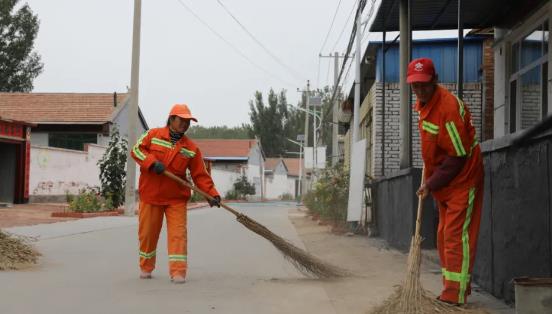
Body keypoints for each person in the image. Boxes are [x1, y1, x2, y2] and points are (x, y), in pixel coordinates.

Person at [408, 58, 484, 305]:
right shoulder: (423, 104)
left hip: (463, 177)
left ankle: (455, 296)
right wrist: (431, 176)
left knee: (455, 235)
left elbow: (458, 156)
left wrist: (431, 183)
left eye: (424, 85)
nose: (419, 91)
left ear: (435, 80)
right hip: (443, 179)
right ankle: (451, 287)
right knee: (442, 234)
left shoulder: (447, 110)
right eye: (415, 86)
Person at [130, 103, 221, 284]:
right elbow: (136, 150)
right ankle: (146, 266)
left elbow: (200, 174)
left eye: (188, 122)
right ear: (172, 119)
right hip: (151, 195)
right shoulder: (153, 135)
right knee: (148, 234)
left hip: (176, 198)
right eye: (182, 120)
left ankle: (178, 271)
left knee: (178, 235)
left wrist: (212, 194)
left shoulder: (191, 148)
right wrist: (151, 162)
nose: (185, 124)